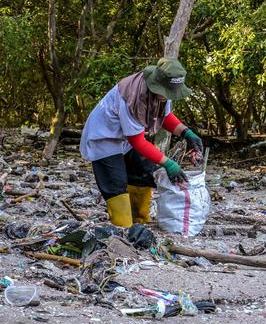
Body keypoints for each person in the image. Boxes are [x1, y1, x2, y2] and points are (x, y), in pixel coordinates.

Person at [78, 57, 204, 228]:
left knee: (144, 171)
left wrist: (187, 133)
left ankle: (139, 222)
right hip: (103, 137)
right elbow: (137, 141)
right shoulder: (132, 97)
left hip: (124, 138)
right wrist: (169, 164)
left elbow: (165, 116)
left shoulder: (163, 92)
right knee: (115, 183)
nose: (169, 97)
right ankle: (123, 229)